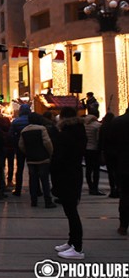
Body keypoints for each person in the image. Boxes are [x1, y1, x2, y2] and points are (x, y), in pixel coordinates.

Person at [50, 107, 87, 259]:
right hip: (74, 173)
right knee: (70, 210)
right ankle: (72, 241)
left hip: (66, 175)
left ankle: (77, 248)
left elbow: (59, 158)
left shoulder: (65, 135)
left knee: (71, 211)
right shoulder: (79, 131)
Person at [19, 113, 56, 208]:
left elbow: (21, 145)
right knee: (44, 180)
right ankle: (48, 201)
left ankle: (33, 201)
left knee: (33, 180)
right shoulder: (42, 129)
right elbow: (47, 142)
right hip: (43, 158)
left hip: (31, 159)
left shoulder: (24, 130)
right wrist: (50, 153)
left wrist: (27, 152)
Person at [110, 108, 129, 236]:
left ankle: (123, 225)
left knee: (125, 196)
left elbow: (111, 144)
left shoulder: (117, 122)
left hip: (124, 164)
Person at [10, 104, 31, 196]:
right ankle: (36, 189)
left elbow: (11, 134)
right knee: (32, 169)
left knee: (20, 168)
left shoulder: (16, 121)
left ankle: (18, 189)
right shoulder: (32, 120)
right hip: (31, 147)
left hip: (19, 147)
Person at [84, 109, 103, 195]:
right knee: (96, 170)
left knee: (88, 169)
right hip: (95, 149)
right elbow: (98, 139)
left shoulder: (84, 124)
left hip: (86, 149)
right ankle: (95, 187)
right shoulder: (98, 125)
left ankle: (90, 186)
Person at [99, 112, 118, 198]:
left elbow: (101, 141)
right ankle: (118, 188)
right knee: (117, 171)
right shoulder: (115, 127)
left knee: (110, 171)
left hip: (107, 152)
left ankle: (112, 188)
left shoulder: (103, 127)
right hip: (116, 151)